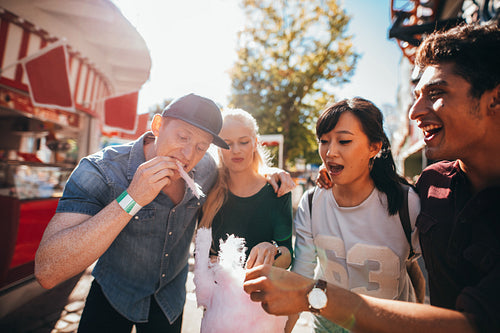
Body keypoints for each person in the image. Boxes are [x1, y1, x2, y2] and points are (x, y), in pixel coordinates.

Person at [243, 22, 500, 333]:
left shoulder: (407, 202)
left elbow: (474, 325)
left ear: (494, 99)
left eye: (436, 92)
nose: (414, 111)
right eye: (325, 141)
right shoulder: (432, 185)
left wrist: (312, 295)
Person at [34, 93, 294, 333]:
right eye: (183, 137)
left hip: (168, 302)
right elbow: (47, 271)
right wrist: (132, 198)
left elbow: (236, 177)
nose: (188, 155)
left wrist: (270, 175)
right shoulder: (101, 171)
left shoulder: (206, 170)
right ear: (157, 126)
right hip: (112, 294)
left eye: (201, 147)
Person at [288, 98, 422, 332]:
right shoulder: (311, 202)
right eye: (324, 141)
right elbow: (301, 278)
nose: (330, 152)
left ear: (374, 147)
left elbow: (414, 268)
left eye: (344, 141)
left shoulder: (406, 203)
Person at [199, 108, 293, 269]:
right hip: (217, 291)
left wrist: (272, 251)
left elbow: (288, 253)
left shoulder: (277, 190)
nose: (236, 150)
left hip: (261, 291)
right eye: (227, 144)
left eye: (243, 142)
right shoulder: (208, 189)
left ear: (255, 143)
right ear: (219, 148)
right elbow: (201, 253)